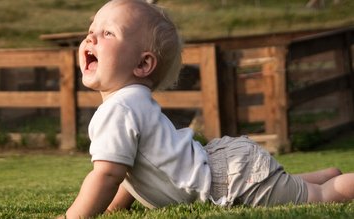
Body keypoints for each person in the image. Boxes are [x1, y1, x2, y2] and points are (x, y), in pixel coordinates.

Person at [64, 0, 354, 218]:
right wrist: (115, 209)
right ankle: (324, 173)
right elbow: (130, 173)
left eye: (108, 33)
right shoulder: (133, 102)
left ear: (143, 64)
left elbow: (108, 175)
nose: (91, 39)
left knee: (321, 197)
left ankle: (333, 184)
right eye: (91, 31)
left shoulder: (120, 109)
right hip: (222, 167)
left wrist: (71, 216)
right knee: (286, 187)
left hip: (230, 182)